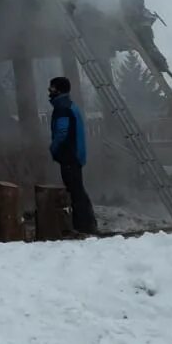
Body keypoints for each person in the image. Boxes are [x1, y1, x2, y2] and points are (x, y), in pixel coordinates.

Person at [47, 76, 97, 235]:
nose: (49, 91)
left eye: (52, 88)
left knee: (75, 190)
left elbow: (62, 132)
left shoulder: (62, 107)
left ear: (59, 90)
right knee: (77, 189)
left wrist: (53, 148)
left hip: (69, 156)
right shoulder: (70, 105)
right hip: (74, 155)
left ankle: (84, 226)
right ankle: (86, 224)